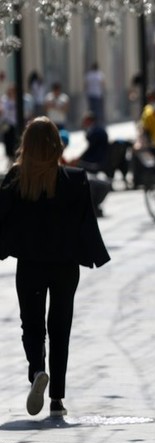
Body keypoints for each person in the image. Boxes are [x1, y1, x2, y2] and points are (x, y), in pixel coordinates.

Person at [0, 117, 110, 418]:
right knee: (60, 328)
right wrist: (92, 254)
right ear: (57, 145)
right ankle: (57, 399)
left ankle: (37, 370)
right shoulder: (75, 179)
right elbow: (86, 224)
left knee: (32, 326)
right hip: (65, 266)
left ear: (26, 145)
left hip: (30, 265)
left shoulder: (15, 179)